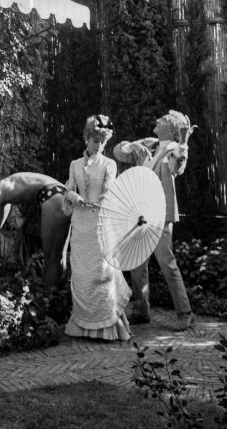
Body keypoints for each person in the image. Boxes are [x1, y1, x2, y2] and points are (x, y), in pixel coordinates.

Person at [113, 110, 196, 331]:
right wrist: (130, 147)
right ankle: (141, 310)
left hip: (160, 215)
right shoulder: (149, 144)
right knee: (137, 261)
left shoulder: (172, 149)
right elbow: (117, 152)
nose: (156, 120)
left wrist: (184, 142)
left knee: (166, 263)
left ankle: (185, 313)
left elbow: (176, 167)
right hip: (141, 215)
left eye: (162, 120)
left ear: (170, 128)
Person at [62, 115, 131, 341]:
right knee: (81, 276)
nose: (99, 145)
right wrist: (71, 195)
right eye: (95, 140)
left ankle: (107, 328)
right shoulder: (74, 165)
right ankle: (81, 326)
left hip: (100, 226)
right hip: (80, 229)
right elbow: (67, 195)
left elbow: (110, 191)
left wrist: (100, 199)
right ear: (86, 138)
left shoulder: (109, 164)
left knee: (102, 276)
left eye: (103, 141)